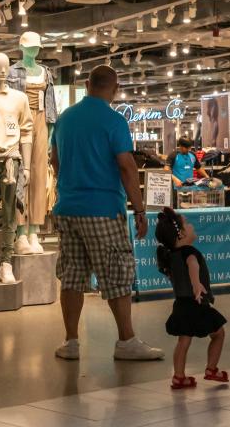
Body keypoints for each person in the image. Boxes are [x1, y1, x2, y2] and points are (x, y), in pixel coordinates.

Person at [50, 65, 163, 361]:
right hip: (102, 209)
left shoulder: (64, 119)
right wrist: (139, 209)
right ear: (115, 89)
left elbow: (55, 160)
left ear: (87, 84)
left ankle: (71, 342)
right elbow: (127, 167)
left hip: (67, 209)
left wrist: (69, 186)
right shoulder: (113, 121)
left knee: (72, 276)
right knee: (117, 274)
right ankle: (126, 340)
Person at [155, 207, 229, 389]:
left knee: (183, 340)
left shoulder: (170, 256)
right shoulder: (189, 252)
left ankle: (179, 376)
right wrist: (196, 284)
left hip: (181, 303)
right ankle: (211, 369)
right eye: (187, 223)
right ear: (180, 234)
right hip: (197, 303)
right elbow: (192, 265)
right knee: (219, 334)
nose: (191, 225)